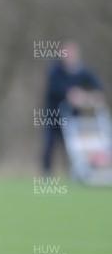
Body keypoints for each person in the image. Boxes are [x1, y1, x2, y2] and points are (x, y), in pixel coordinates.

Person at [42, 41, 104, 174]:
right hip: (53, 114)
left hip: (72, 117)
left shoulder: (81, 70)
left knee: (73, 145)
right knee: (50, 143)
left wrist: (94, 95)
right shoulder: (55, 70)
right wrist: (69, 94)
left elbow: (97, 84)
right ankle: (46, 173)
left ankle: (74, 171)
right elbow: (54, 88)